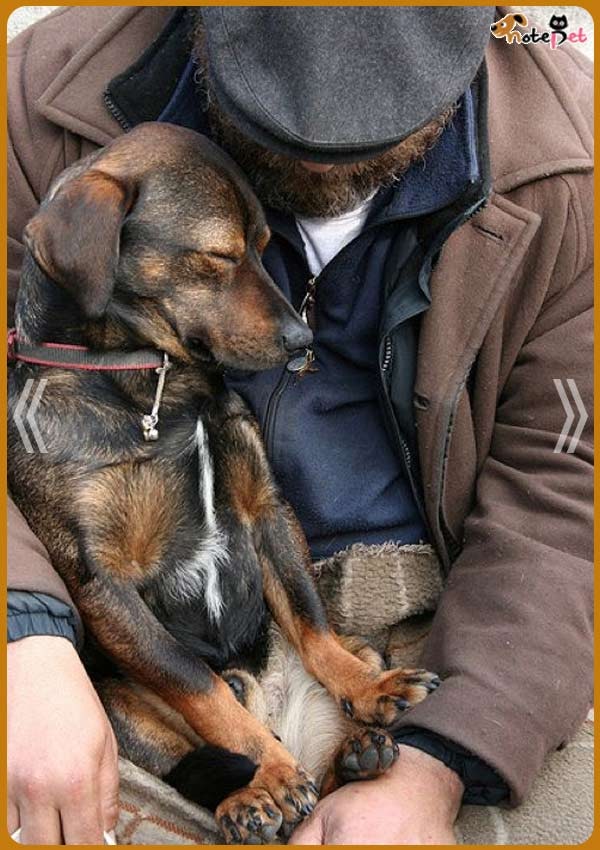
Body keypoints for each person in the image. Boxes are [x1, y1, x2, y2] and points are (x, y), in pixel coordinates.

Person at [7, 6, 593, 845]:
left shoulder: (571, 167)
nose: (321, 153)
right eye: (277, 127)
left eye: (369, 132)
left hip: (429, 631)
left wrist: (439, 764)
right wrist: (22, 636)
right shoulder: (35, 100)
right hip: (106, 647)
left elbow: (565, 500)